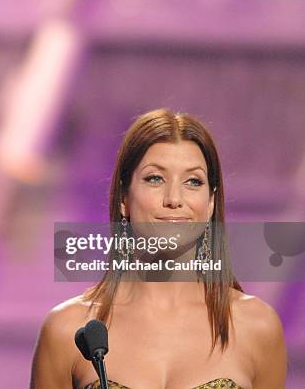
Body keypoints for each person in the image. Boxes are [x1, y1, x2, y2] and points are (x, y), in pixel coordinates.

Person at [31, 109, 286, 388]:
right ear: (124, 198)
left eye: (193, 181)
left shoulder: (257, 326)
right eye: (155, 179)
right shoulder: (69, 330)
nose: (174, 199)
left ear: (211, 202)